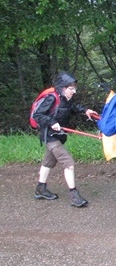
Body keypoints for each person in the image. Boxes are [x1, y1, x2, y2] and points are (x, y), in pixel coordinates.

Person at [32, 71, 97, 207]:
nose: (74, 91)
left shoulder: (65, 99)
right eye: (71, 88)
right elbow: (38, 115)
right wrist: (51, 123)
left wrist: (85, 111)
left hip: (58, 136)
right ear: (63, 88)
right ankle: (74, 195)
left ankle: (40, 189)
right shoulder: (51, 98)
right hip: (50, 136)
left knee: (48, 162)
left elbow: (72, 107)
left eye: (74, 88)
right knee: (68, 162)